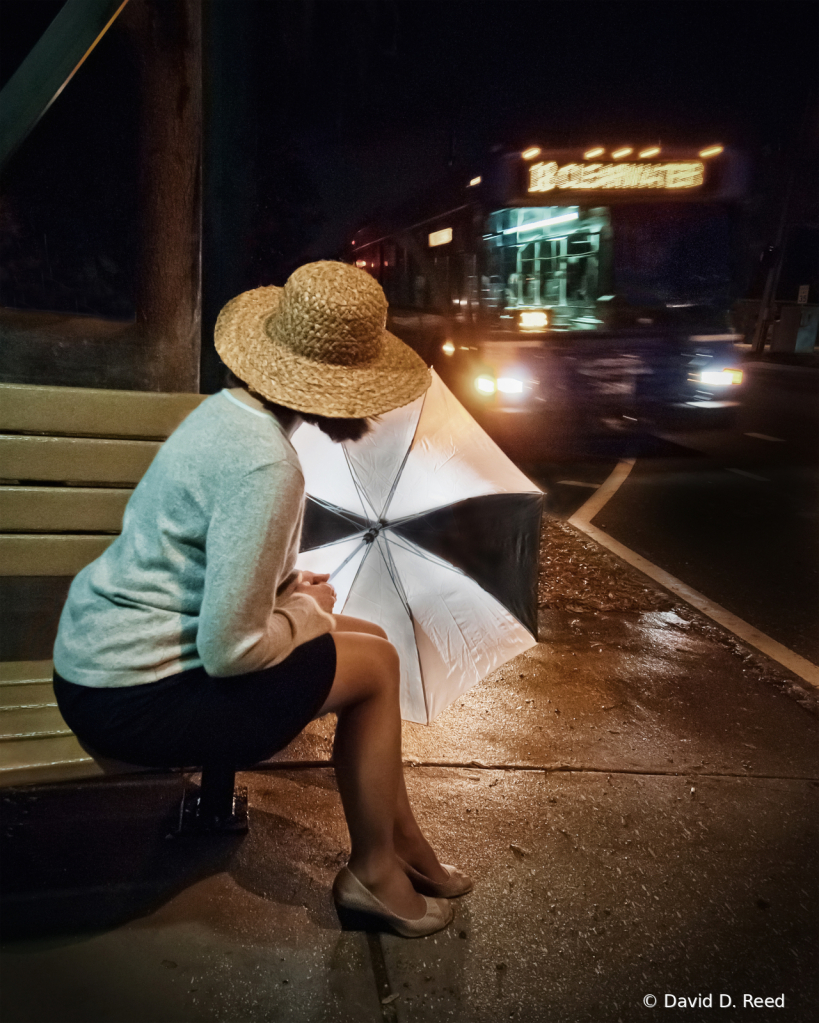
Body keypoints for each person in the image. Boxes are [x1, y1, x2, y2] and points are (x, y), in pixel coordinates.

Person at [52, 261, 471, 938]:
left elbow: (201, 567)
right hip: (131, 695)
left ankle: (403, 848)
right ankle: (376, 870)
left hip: (108, 658)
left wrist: (285, 590)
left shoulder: (224, 417)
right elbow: (231, 650)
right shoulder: (265, 464)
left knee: (373, 642)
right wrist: (305, 611)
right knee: (374, 670)